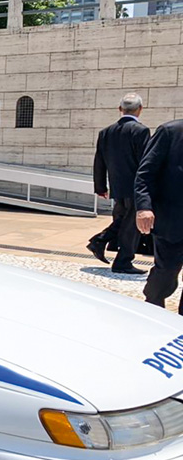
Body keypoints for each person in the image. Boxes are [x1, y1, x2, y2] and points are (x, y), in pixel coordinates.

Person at [87, 93, 149, 274]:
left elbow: (99, 160)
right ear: (140, 109)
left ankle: (99, 241)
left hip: (117, 186)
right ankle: (123, 261)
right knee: (132, 226)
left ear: (120, 109)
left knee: (123, 220)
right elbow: (146, 162)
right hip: (137, 187)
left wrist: (100, 186)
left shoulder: (106, 132)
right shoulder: (141, 131)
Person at [136, 119, 183, 312]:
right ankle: (152, 308)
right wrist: (144, 207)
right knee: (166, 273)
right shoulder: (170, 132)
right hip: (173, 220)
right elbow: (145, 173)